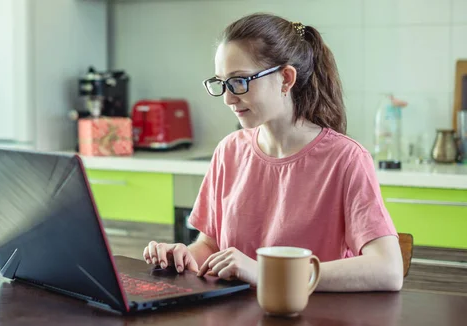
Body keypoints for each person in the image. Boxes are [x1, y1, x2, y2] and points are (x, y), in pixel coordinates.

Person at [142, 12, 404, 292]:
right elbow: (210, 246)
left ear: (286, 79)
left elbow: (387, 269)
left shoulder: (346, 159)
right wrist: (183, 258)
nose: (229, 98)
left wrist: (267, 272)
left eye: (240, 81)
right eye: (222, 83)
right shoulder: (229, 150)